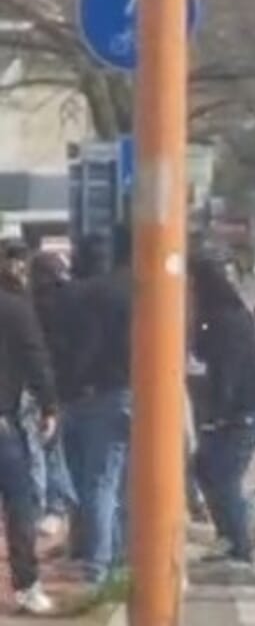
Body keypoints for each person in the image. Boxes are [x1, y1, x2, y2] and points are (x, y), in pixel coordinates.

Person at [190, 255, 255, 564]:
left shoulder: (225, 320)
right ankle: (230, 535)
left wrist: (219, 415)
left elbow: (228, 372)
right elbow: (202, 353)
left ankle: (240, 543)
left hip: (243, 409)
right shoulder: (222, 315)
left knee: (224, 475)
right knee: (207, 469)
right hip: (239, 408)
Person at [63, 227, 132, 585]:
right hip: (125, 390)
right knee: (112, 481)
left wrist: (71, 381)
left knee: (91, 482)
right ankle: (114, 556)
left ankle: (99, 561)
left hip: (83, 394)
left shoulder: (74, 295)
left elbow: (71, 346)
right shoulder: (129, 292)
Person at [0, 253, 59, 614]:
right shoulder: (14, 308)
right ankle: (26, 584)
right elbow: (35, 358)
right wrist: (49, 405)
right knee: (19, 502)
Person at [28, 252, 77, 537]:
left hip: (46, 385)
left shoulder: (36, 305)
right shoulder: (72, 301)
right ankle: (60, 506)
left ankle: (55, 505)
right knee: (56, 448)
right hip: (70, 383)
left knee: (49, 448)